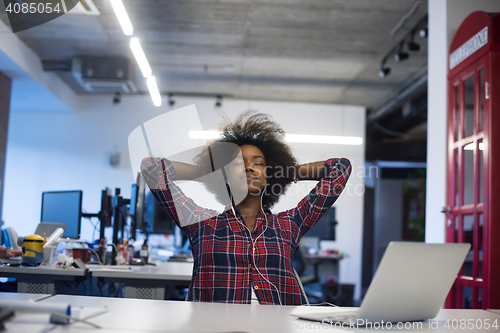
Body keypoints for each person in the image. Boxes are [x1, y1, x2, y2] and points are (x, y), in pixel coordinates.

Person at [141, 111, 351, 305]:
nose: (248, 167)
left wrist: (285, 172)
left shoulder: (289, 224)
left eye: (257, 163)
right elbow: (152, 169)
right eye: (237, 163)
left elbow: (339, 169)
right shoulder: (201, 224)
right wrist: (207, 172)